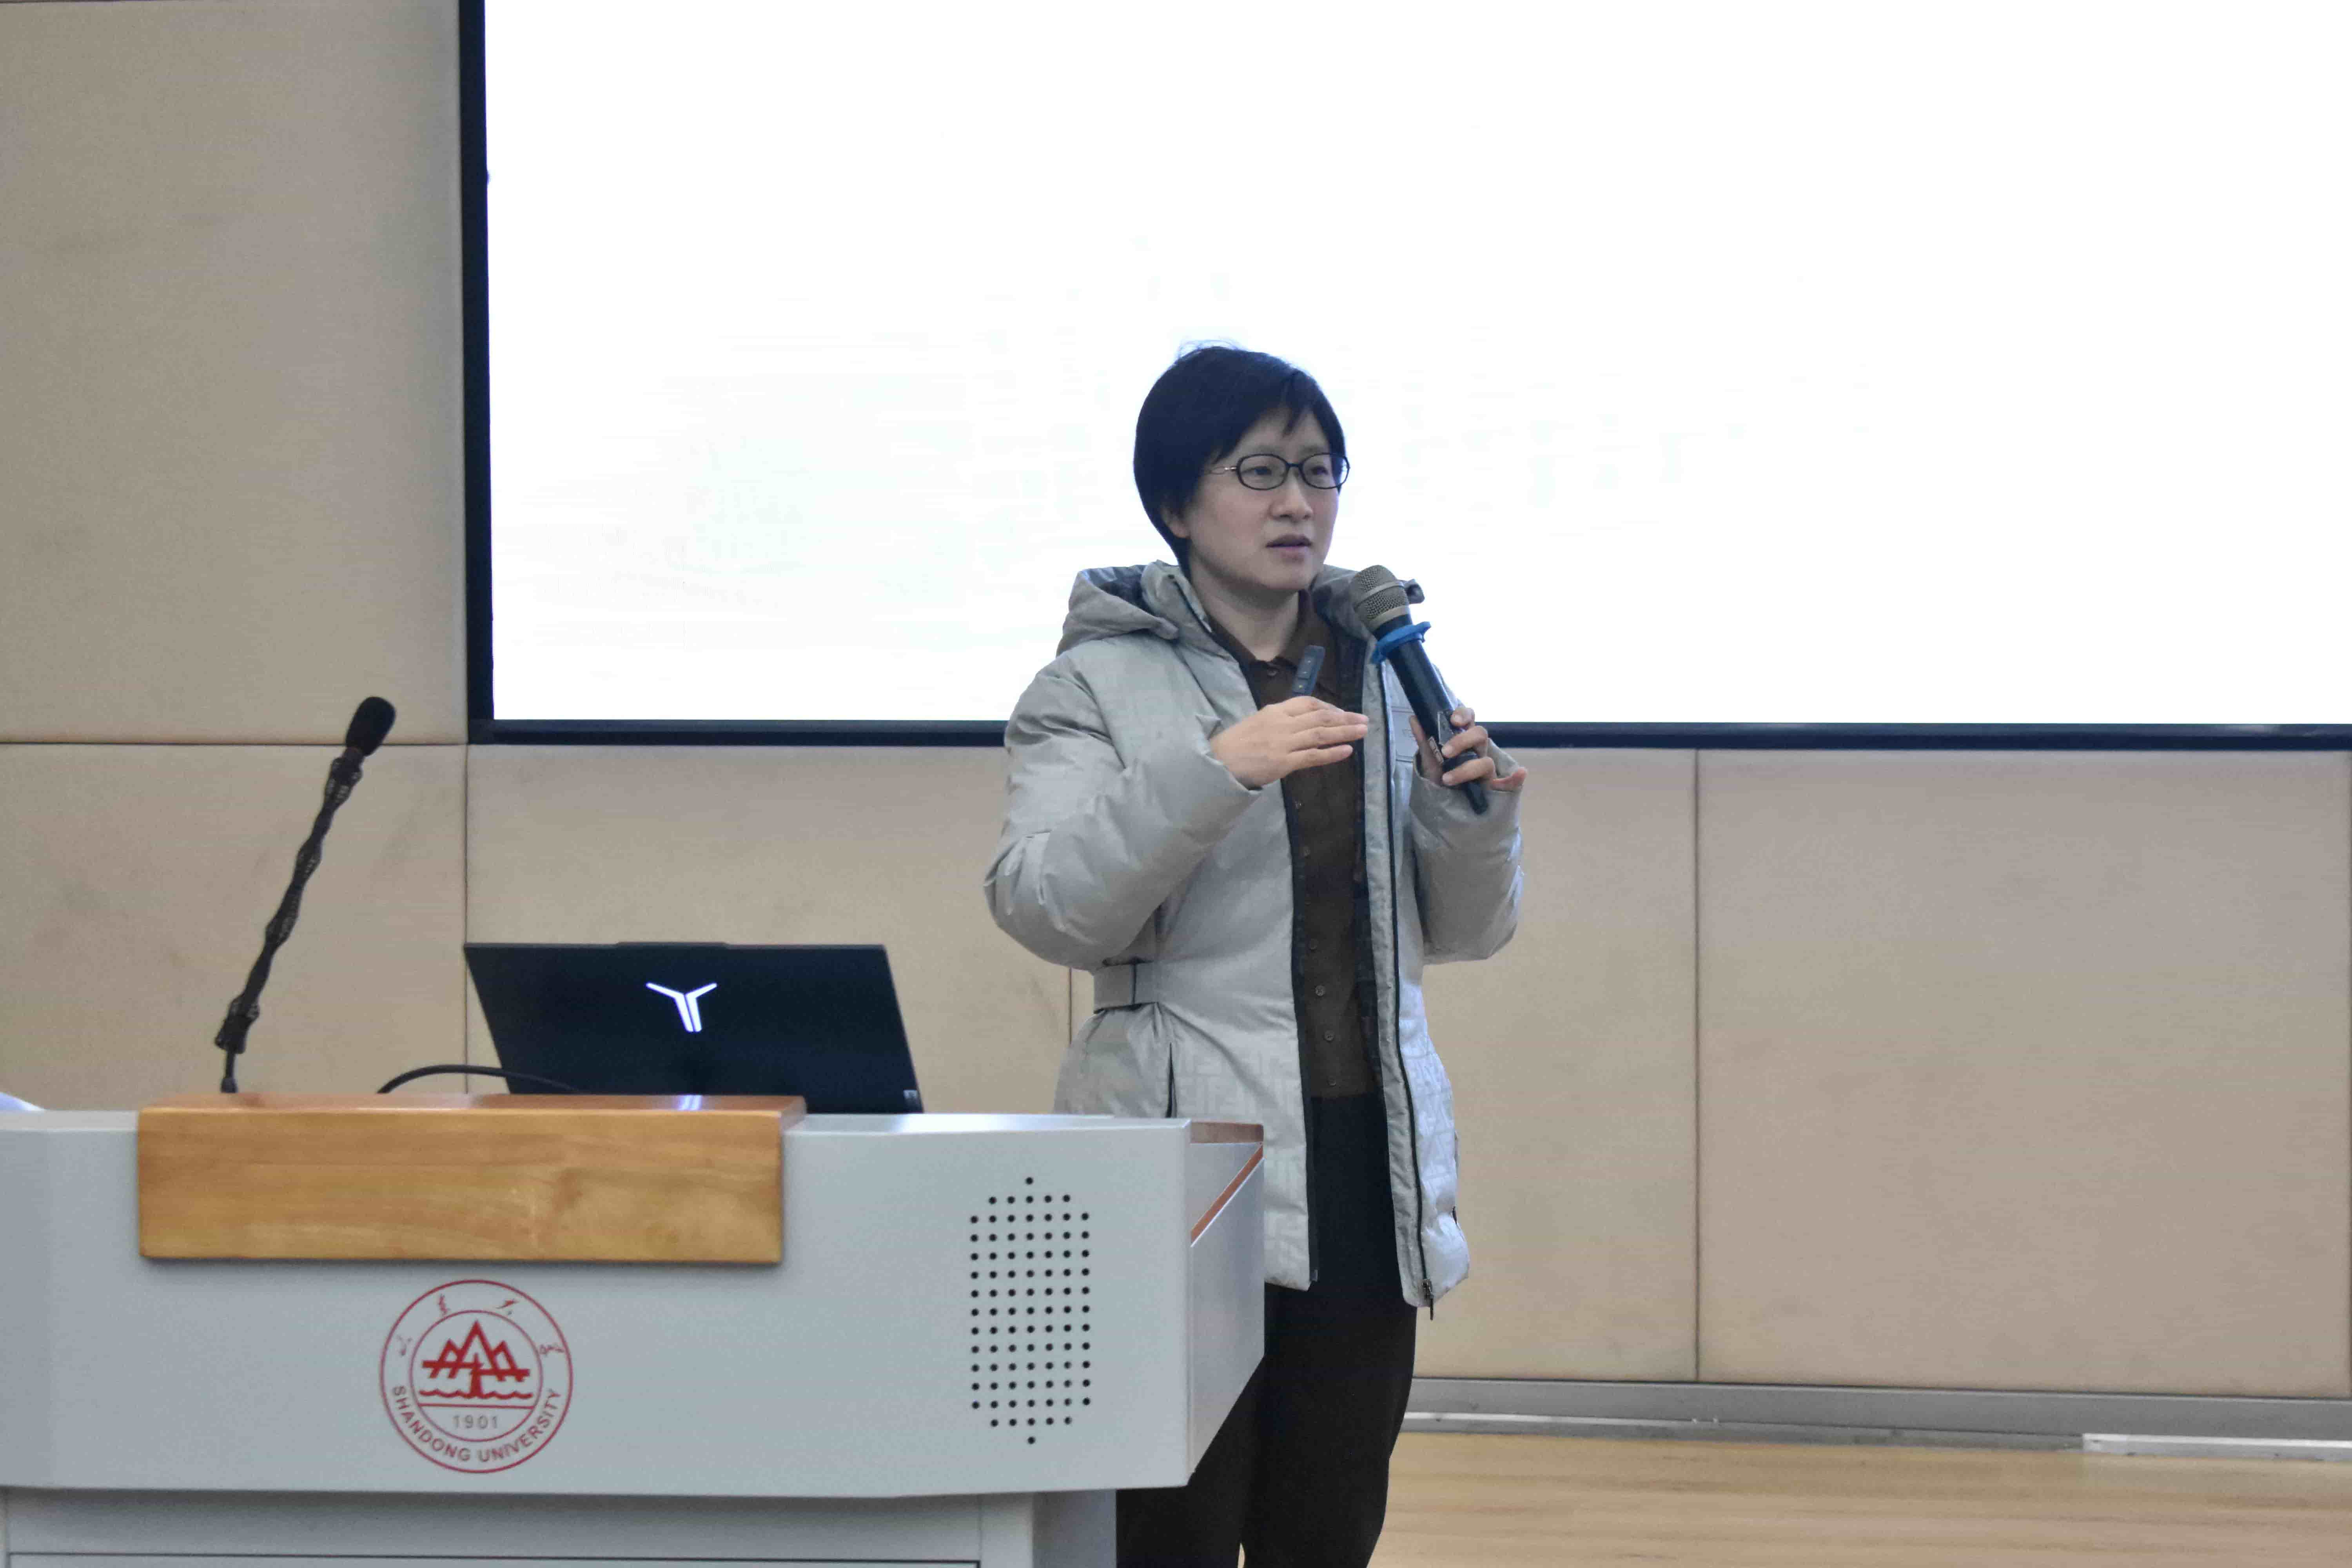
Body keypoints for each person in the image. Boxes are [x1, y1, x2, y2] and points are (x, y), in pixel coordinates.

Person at [984, 345, 1524, 1568]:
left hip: (1367, 1154)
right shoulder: (1090, 686)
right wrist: (1216, 769)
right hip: (1187, 1157)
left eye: (1320, 471)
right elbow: (1049, 907)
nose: (1299, 503)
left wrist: (1475, 820)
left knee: (1328, 1525)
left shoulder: (1385, 670)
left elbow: (1468, 932)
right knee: (1170, 1526)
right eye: (1261, 472)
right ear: (1176, 503)